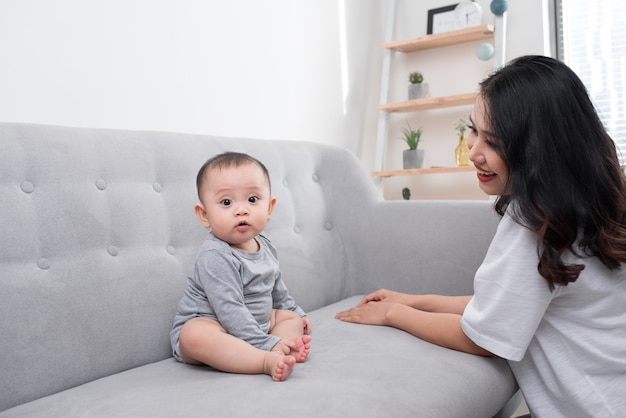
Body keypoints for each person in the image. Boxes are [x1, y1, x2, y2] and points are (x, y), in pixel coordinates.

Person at [336, 56, 626, 417]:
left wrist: (393, 314)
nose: (473, 152)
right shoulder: (591, 200)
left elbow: (481, 339)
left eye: (494, 142)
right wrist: (416, 299)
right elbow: (507, 302)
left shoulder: (535, 223)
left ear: (539, 150)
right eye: (473, 130)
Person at [170, 152, 311, 381]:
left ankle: (284, 347)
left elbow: (276, 286)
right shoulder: (215, 255)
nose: (242, 210)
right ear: (204, 215)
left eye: (253, 200)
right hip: (216, 324)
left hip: (257, 322)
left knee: (288, 318)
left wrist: (294, 311)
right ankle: (264, 359)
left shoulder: (265, 245)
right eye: (226, 202)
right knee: (194, 335)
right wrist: (264, 341)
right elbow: (229, 309)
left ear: (269, 207)